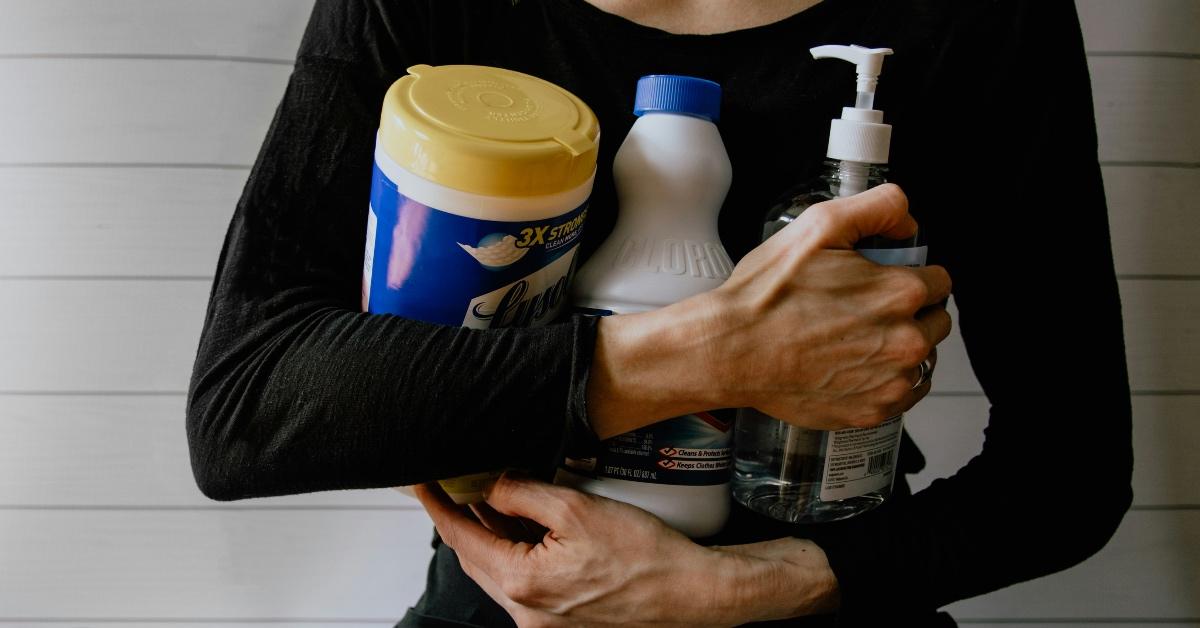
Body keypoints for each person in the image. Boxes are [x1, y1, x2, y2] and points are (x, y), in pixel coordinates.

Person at [185, 0, 1133, 626]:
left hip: (836, 591)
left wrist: (745, 589)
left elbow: (1069, 475)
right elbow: (248, 408)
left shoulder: (983, 15)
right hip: (517, 605)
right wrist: (709, 355)